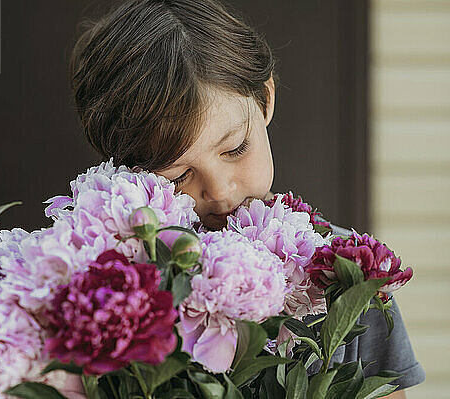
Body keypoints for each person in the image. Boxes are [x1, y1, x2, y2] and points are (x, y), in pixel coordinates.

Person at [63, 0, 426, 397]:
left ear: (265, 99)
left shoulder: (347, 273)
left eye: (235, 148)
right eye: (179, 175)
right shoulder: (113, 291)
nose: (219, 190)